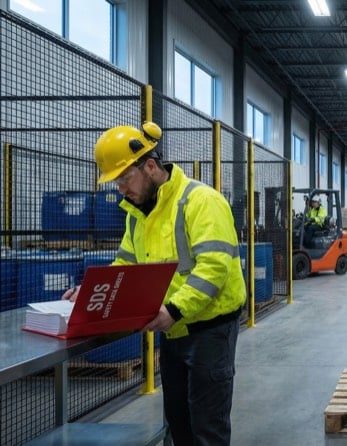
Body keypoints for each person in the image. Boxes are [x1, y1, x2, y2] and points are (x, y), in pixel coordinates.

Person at [90, 121, 246, 444]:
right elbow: (126, 265)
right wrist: (94, 292)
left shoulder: (201, 201)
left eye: (124, 178)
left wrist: (173, 309)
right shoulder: (137, 214)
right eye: (115, 182)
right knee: (178, 425)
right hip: (170, 332)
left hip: (209, 332)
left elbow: (213, 269)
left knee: (207, 429)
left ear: (149, 166)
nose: (120, 189)